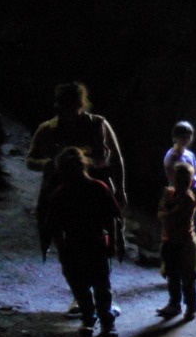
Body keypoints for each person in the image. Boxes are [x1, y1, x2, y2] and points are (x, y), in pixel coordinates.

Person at [26, 82, 127, 316]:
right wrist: (48, 164)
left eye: (70, 105)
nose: (65, 110)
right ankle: (81, 298)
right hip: (62, 196)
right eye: (62, 105)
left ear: (80, 104)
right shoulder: (48, 129)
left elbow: (116, 158)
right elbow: (30, 159)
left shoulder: (97, 124)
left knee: (99, 247)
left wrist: (120, 189)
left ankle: (102, 300)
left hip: (94, 193)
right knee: (67, 247)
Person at [46, 146, 122, 337]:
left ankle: (100, 320)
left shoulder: (91, 189)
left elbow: (111, 218)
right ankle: (95, 319)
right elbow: (112, 218)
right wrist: (112, 242)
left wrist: (62, 247)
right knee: (92, 286)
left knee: (92, 287)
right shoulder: (70, 192)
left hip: (86, 245)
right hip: (85, 245)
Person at [163, 121, 196, 284]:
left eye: (189, 136)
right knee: (186, 233)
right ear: (175, 137)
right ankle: (182, 268)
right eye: (183, 136)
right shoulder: (171, 157)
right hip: (185, 199)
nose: (186, 139)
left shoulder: (190, 155)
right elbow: (172, 181)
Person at [157, 162, 196, 320]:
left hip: (185, 243)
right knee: (172, 275)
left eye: (186, 179)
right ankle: (174, 304)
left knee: (188, 278)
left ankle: (191, 307)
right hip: (170, 240)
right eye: (179, 179)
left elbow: (168, 215)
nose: (182, 183)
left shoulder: (189, 199)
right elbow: (162, 213)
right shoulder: (170, 194)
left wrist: (166, 211)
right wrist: (166, 211)